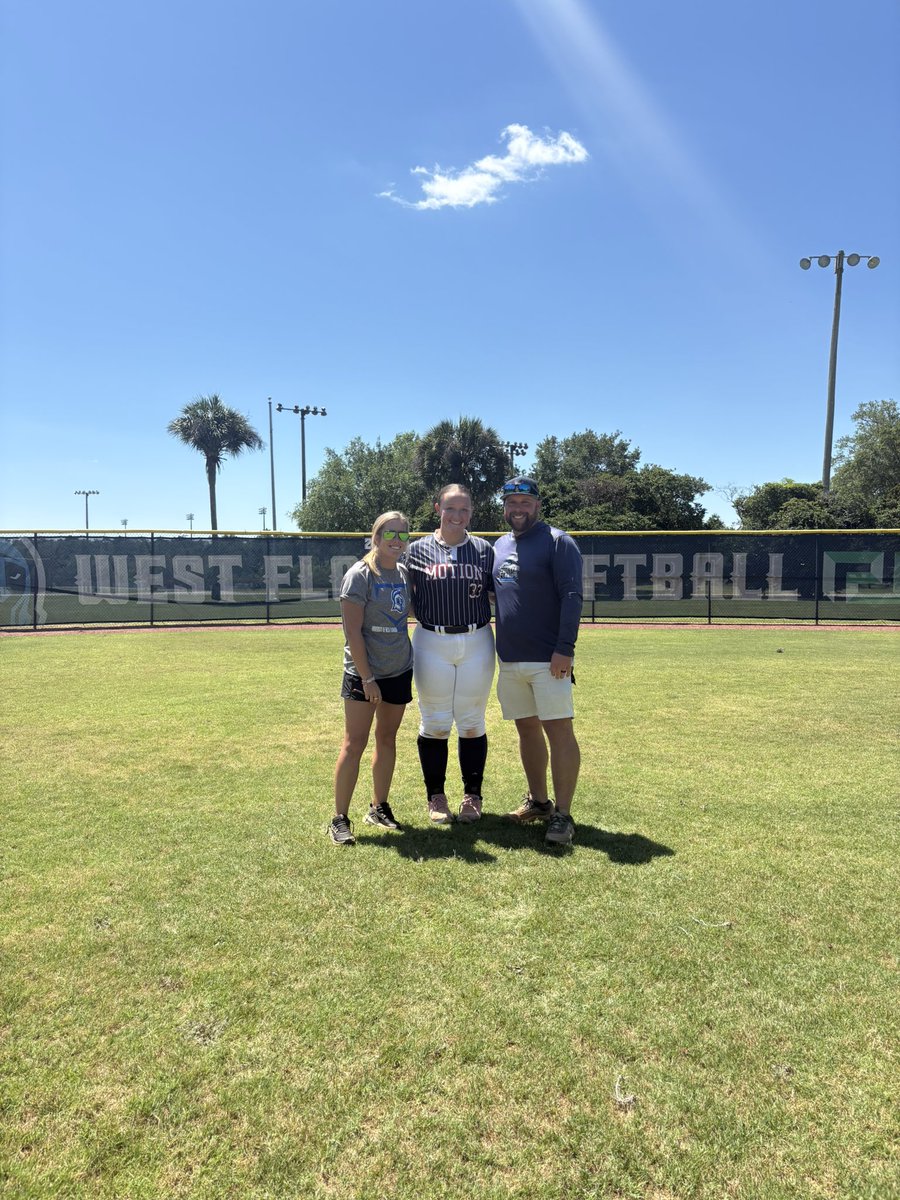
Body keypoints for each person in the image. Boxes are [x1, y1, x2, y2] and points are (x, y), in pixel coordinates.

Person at [492, 476, 583, 846]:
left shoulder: (558, 542)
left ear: (538, 506)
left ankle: (562, 813)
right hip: (510, 658)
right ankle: (539, 802)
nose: (517, 509)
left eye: (524, 503)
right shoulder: (499, 545)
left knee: (559, 731)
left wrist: (565, 648)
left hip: (549, 659)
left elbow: (573, 596)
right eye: (511, 502)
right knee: (526, 730)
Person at [406, 484, 495, 823]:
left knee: (472, 722)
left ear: (471, 513)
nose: (457, 516)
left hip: (477, 639)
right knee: (435, 723)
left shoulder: (484, 550)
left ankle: (472, 796)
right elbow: (405, 594)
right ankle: (436, 797)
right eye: (451, 509)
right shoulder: (416, 550)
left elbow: (498, 593)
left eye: (464, 510)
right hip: (432, 639)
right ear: (437, 508)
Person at [328, 511, 413, 846]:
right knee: (354, 743)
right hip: (365, 674)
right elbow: (353, 633)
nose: (396, 540)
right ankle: (339, 819)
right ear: (376, 537)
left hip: (398, 669)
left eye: (403, 535)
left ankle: (378, 807)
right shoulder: (360, 574)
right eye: (390, 534)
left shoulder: (405, 573)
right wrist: (367, 678)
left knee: (387, 739)